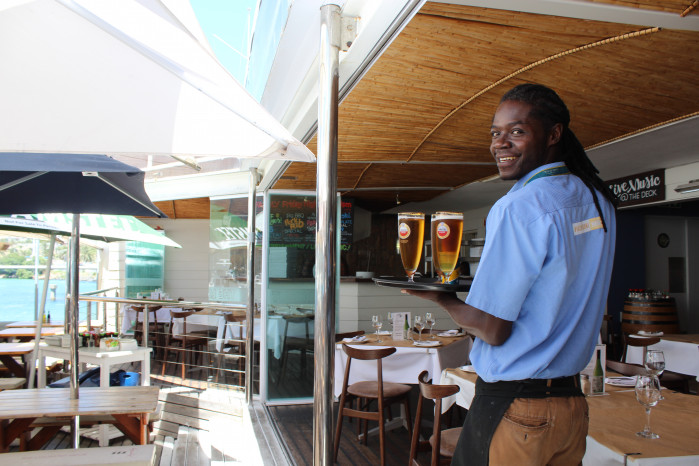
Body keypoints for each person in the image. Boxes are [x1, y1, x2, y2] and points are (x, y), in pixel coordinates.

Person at [404, 83, 616, 465]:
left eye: (517, 131)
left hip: (516, 408)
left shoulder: (519, 206)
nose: (500, 144)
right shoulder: (598, 202)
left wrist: (442, 298)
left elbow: (493, 329)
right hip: (571, 409)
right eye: (495, 133)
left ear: (553, 134)